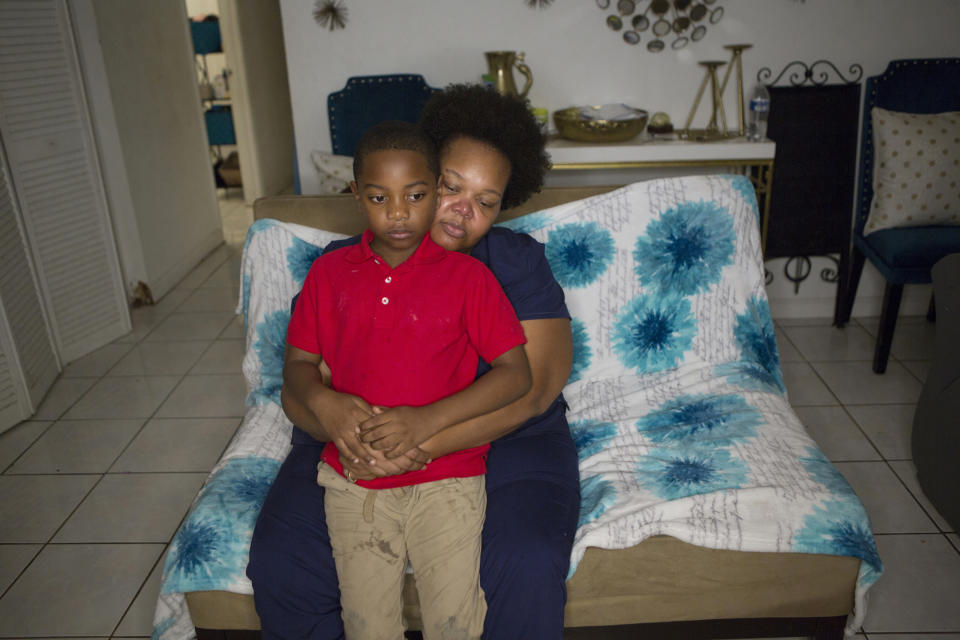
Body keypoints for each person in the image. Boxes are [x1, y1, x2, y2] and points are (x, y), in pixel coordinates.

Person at [248, 84, 581, 640]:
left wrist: (416, 446)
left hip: (509, 438)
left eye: (486, 200)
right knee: (283, 558)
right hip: (353, 449)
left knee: (525, 559)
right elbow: (299, 384)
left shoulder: (513, 263)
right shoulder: (339, 269)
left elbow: (533, 390)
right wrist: (338, 428)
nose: (461, 212)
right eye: (451, 187)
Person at [286, 120, 532, 639]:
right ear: (356, 195)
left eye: (415, 195)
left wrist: (424, 422)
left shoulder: (469, 279)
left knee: (454, 622)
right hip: (356, 480)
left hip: (449, 480)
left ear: (434, 191)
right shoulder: (328, 275)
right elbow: (298, 366)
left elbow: (516, 375)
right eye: (379, 197)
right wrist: (325, 406)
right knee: (367, 625)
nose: (398, 212)